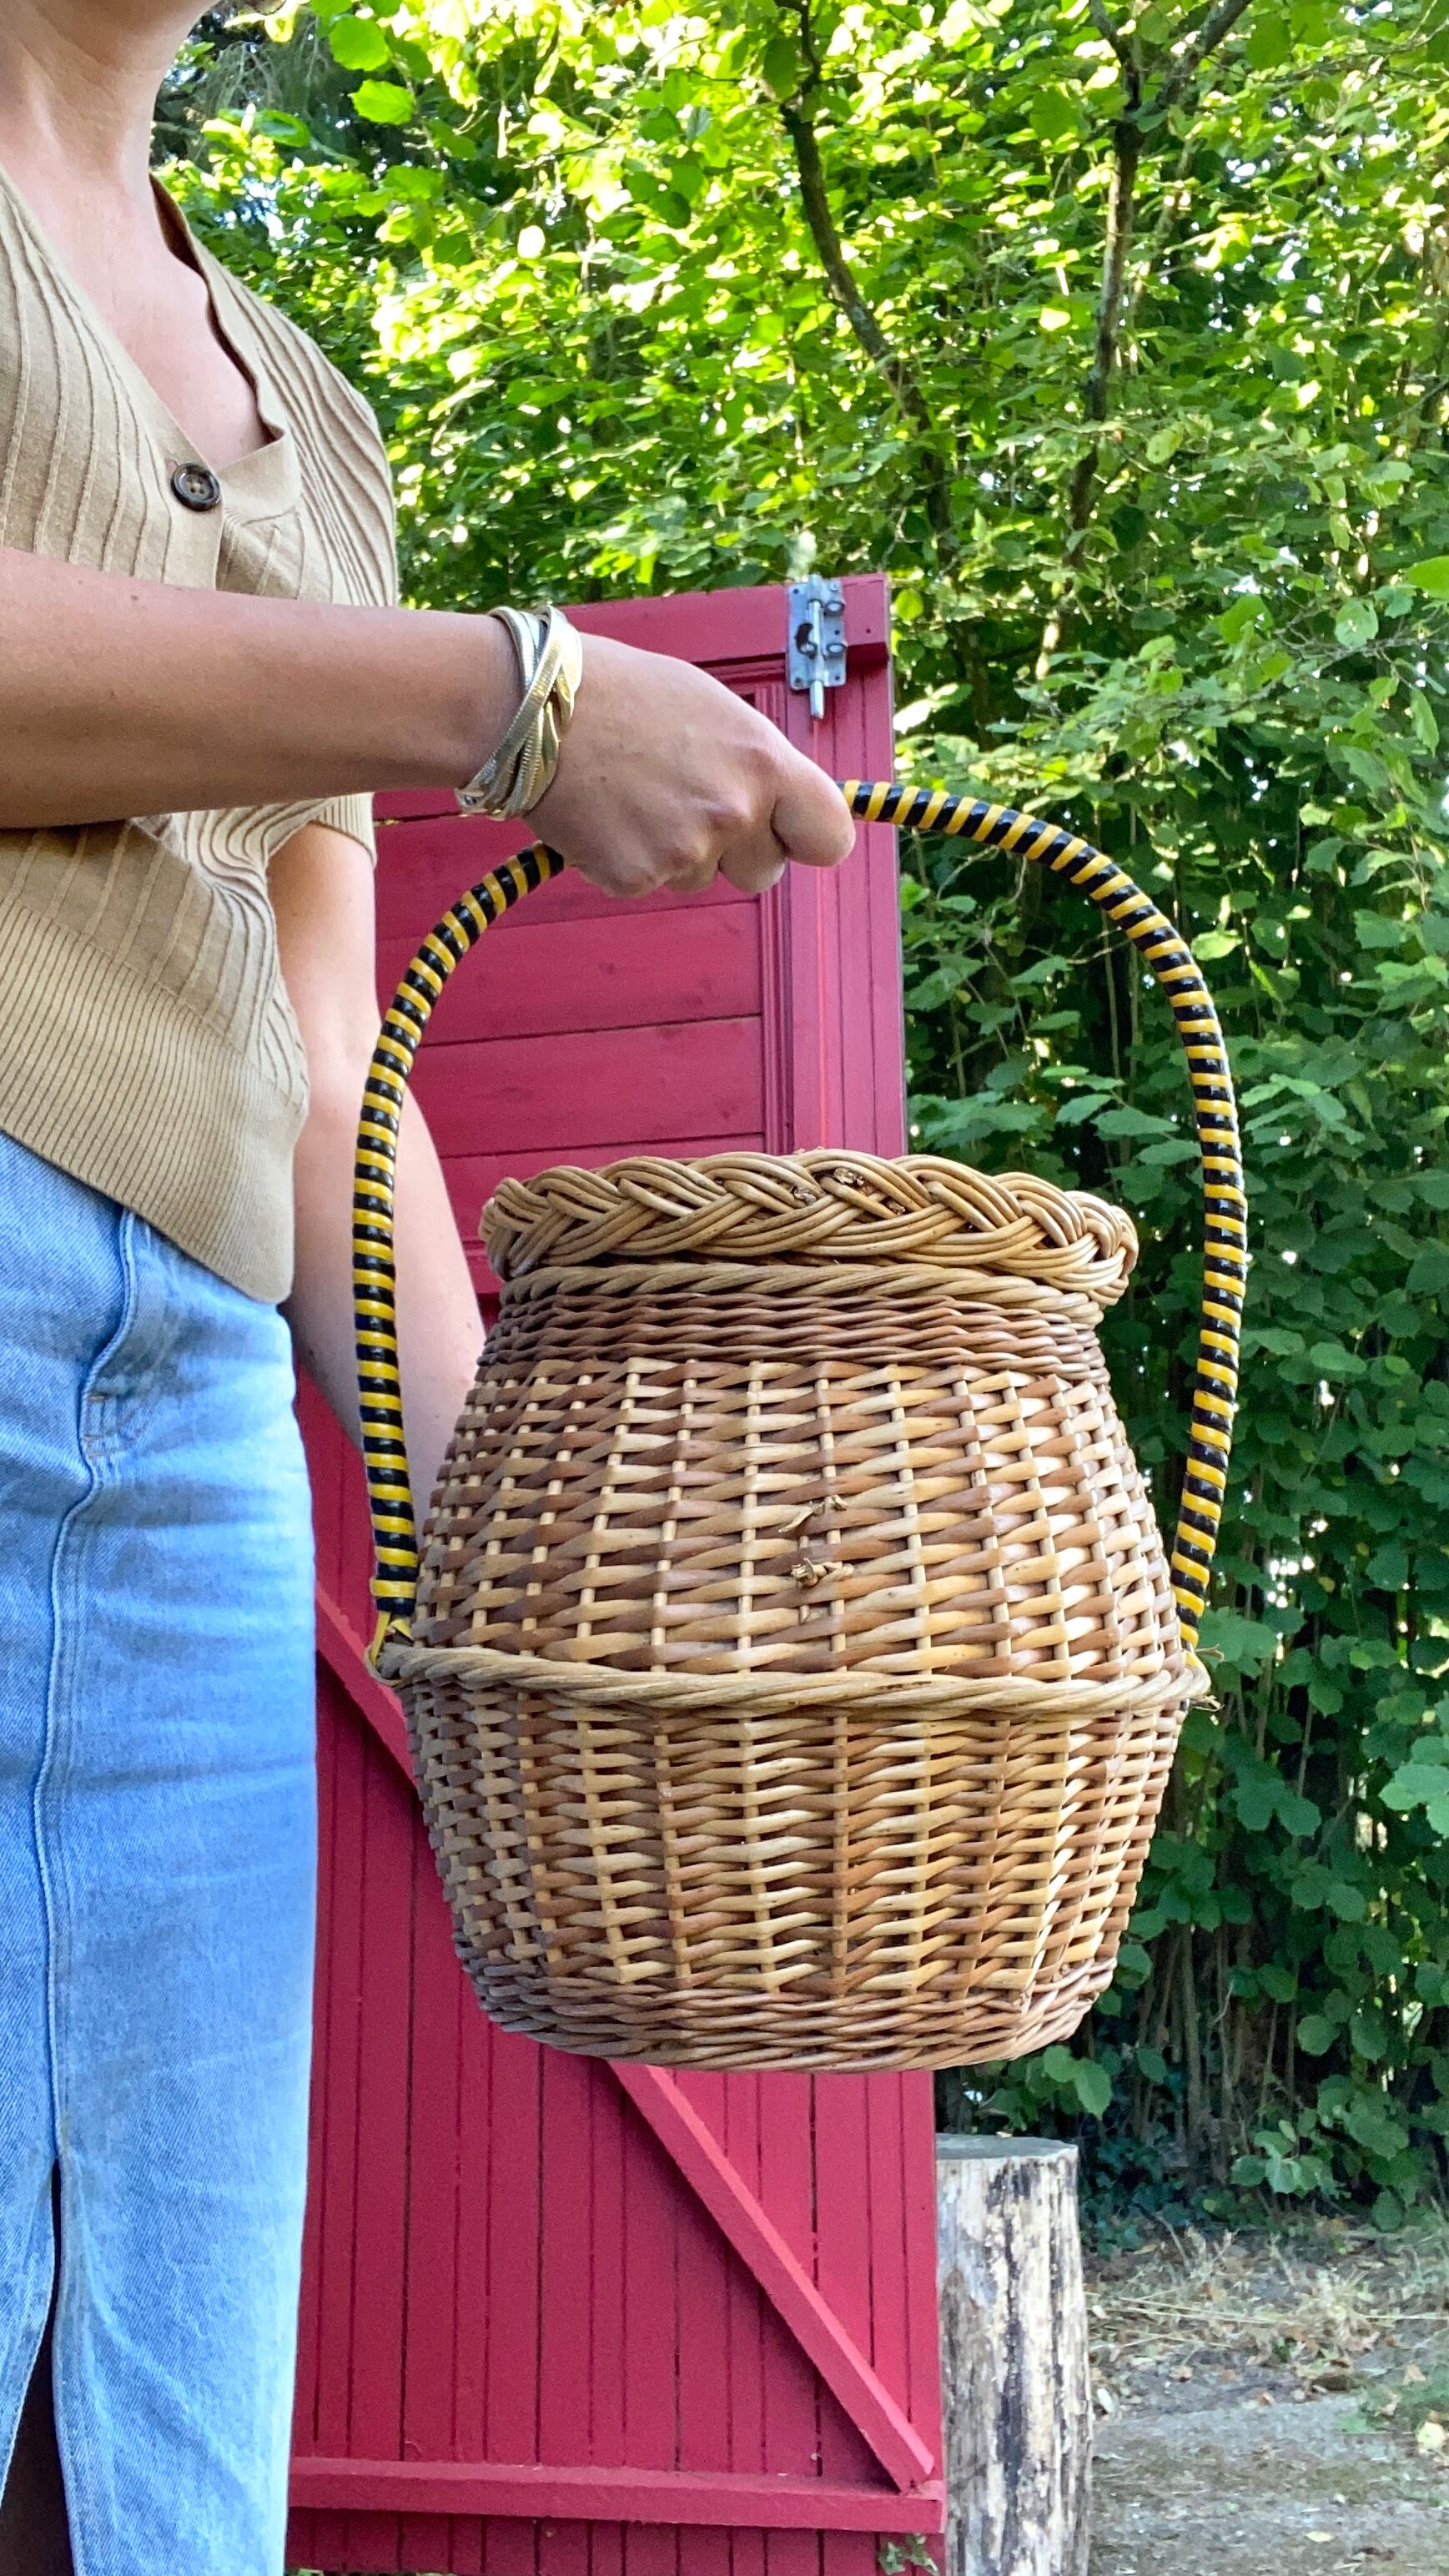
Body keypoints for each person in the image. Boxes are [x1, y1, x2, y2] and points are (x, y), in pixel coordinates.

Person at [0, 4, 855, 2568]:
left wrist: (507, 1553)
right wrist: (510, 697)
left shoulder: (319, 422)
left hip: (191, 1447)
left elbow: (324, 1060)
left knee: (175, 2403)